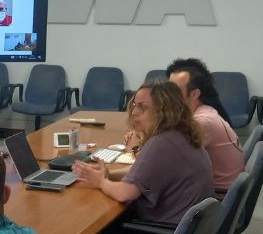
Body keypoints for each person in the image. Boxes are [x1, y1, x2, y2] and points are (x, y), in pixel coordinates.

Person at [72, 81, 213, 225]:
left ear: (164, 111)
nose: (134, 112)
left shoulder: (162, 143)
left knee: (91, 223)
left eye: (142, 107)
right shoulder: (180, 135)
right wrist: (109, 174)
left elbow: (124, 194)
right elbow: (145, 172)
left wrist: (101, 181)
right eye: (134, 105)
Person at [167, 57, 244, 197]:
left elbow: (163, 163)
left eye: (173, 90)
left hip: (213, 202)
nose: (167, 96)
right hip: (211, 193)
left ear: (195, 93)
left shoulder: (203, 122)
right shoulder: (206, 110)